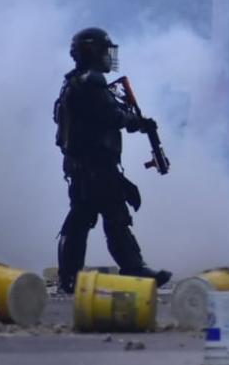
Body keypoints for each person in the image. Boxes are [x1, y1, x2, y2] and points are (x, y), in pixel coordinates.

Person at [53, 27, 171, 294]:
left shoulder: (74, 81)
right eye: (105, 50)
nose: (108, 56)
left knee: (82, 219)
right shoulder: (91, 82)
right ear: (92, 52)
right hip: (95, 166)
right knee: (114, 217)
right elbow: (112, 117)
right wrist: (137, 121)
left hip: (83, 165)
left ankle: (70, 277)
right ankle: (133, 269)